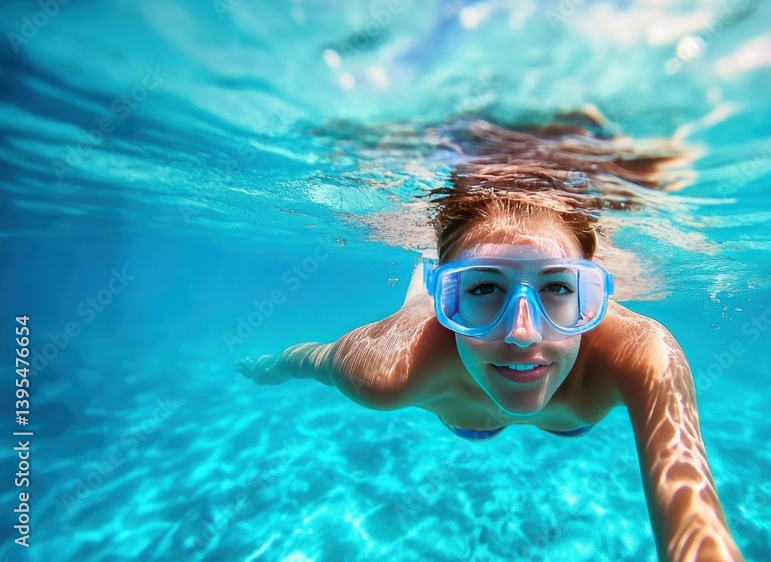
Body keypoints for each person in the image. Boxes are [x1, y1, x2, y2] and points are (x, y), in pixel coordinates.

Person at [237, 117, 744, 561]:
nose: (522, 333)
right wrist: (268, 368)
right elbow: (311, 359)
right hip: (466, 403)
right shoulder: (386, 369)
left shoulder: (643, 354)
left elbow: (696, 520)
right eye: (482, 288)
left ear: (591, 294)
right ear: (446, 296)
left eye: (558, 287)